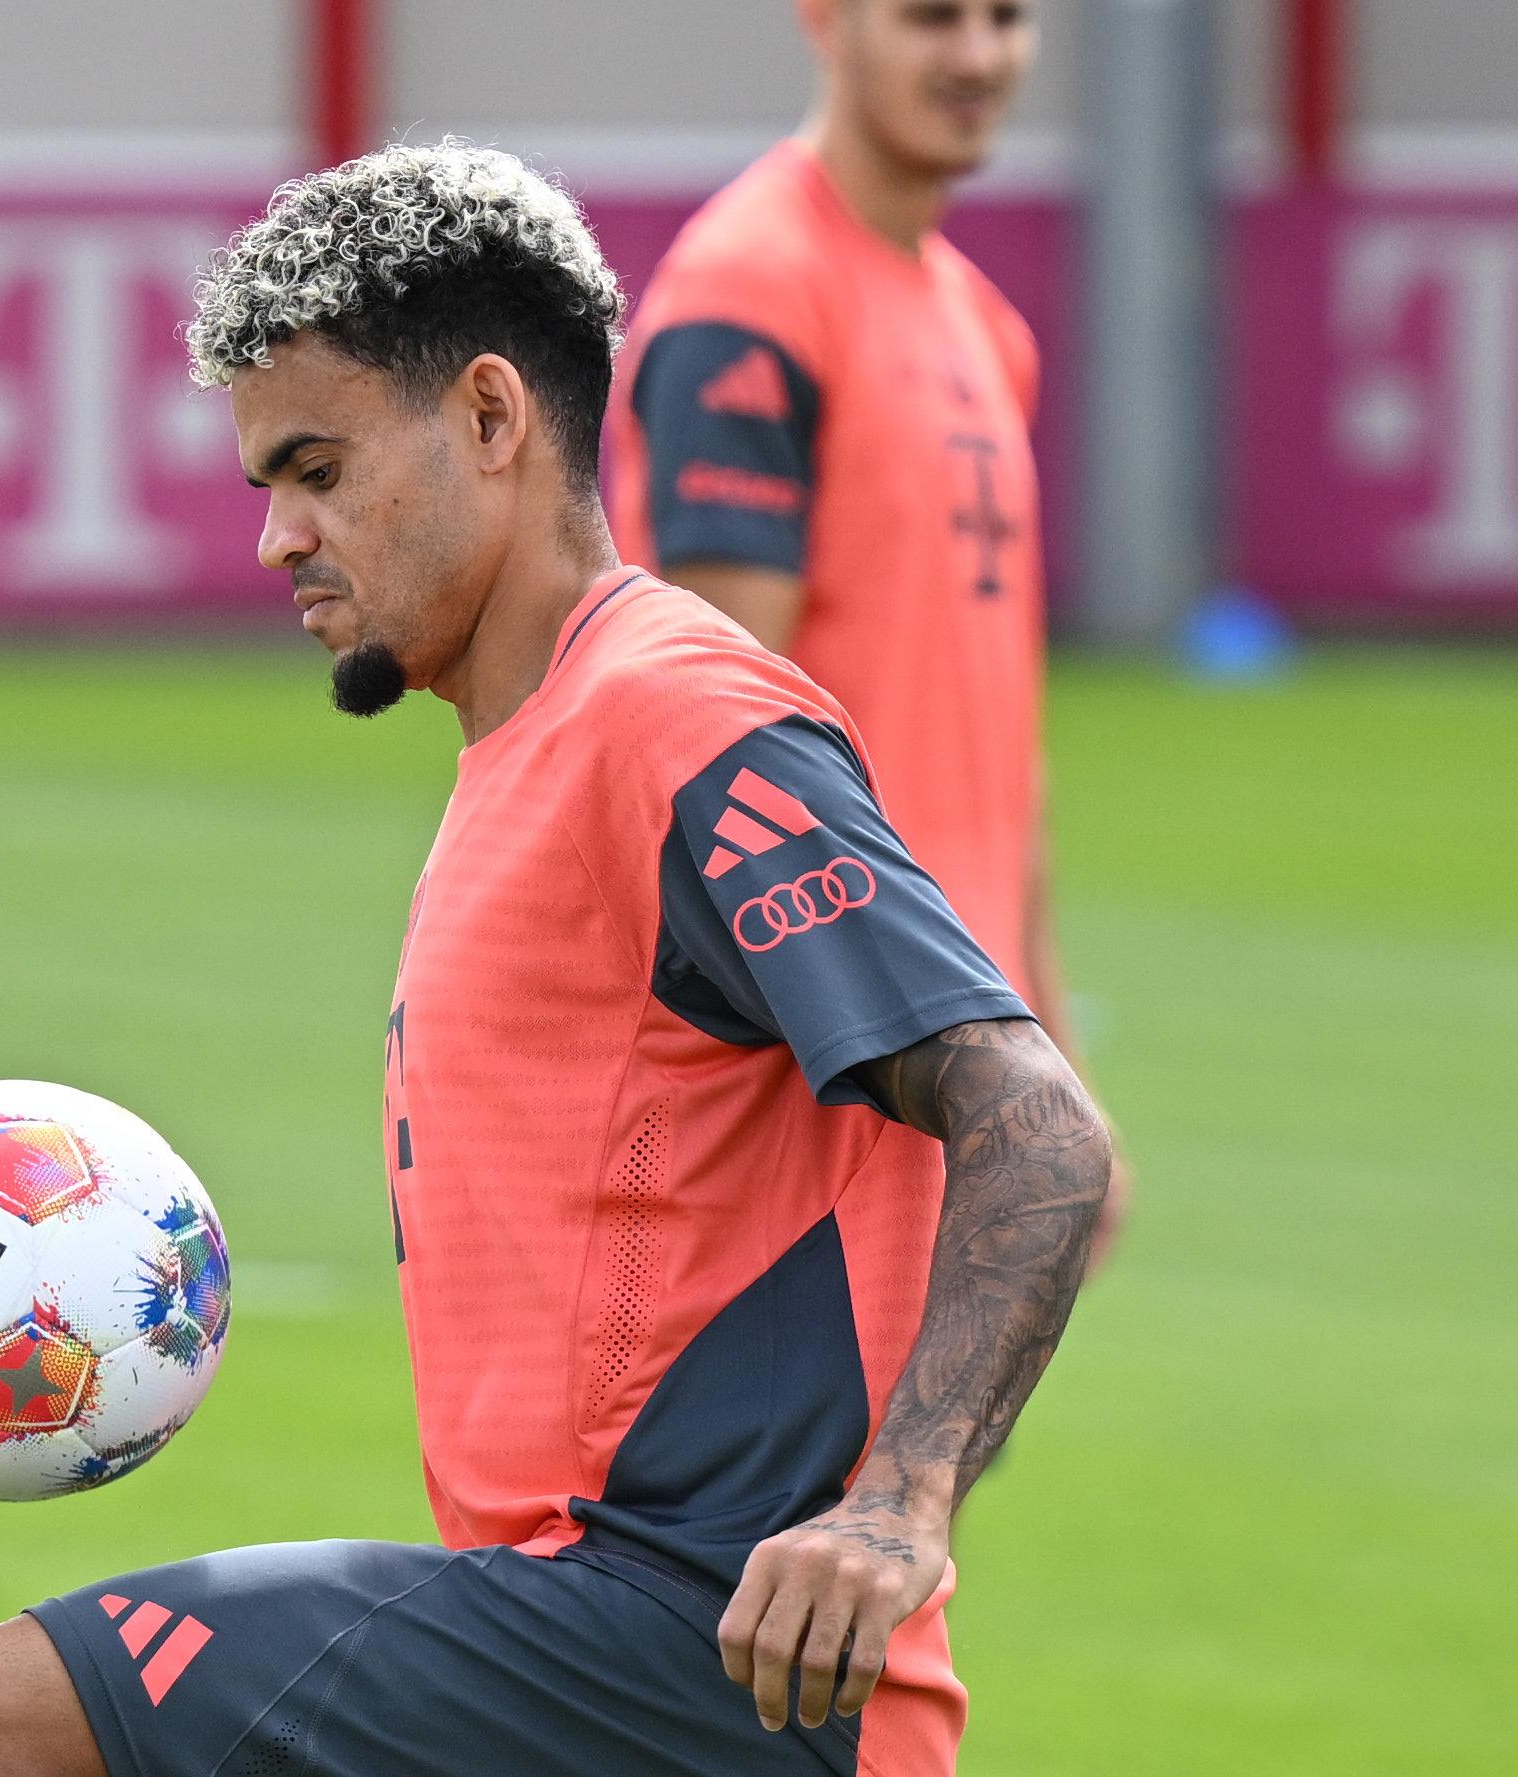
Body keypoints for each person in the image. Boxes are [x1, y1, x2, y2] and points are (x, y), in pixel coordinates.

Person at [0, 143, 1108, 1777]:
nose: (282, 536)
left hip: (688, 1656)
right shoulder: (524, 749)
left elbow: (1038, 1123)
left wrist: (896, 1508)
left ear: (493, 419)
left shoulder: (674, 719)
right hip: (573, 1649)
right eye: (264, 487)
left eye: (319, 466)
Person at [606, 0, 1127, 1261]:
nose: (977, 55)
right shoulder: (753, 291)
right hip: (824, 1057)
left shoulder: (982, 328)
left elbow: (1001, 751)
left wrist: (1043, 1056)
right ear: (825, 20)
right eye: (932, 16)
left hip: (952, 1039)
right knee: (840, 1463)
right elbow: (715, 740)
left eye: (1006, 17)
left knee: (923, 1461)